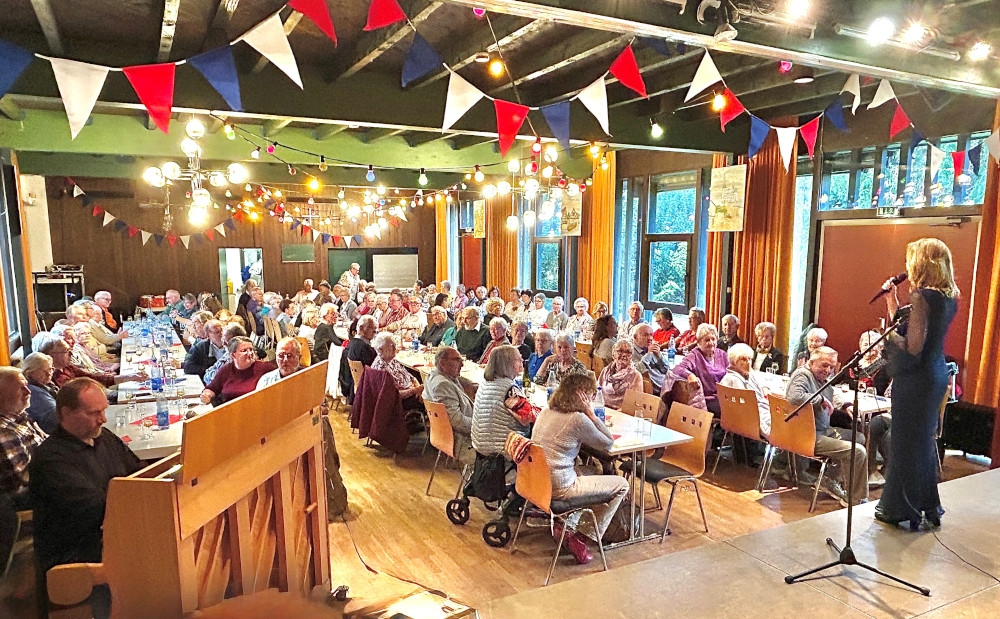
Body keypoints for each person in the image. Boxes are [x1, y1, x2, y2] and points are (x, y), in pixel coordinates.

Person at [29, 377, 142, 617]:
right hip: (76, 548)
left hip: (107, 531)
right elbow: (94, 509)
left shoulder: (104, 437)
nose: (102, 419)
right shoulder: (50, 459)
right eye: (94, 413)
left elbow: (139, 472)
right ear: (66, 413)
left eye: (103, 411)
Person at [875, 238, 958, 529]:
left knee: (905, 444)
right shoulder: (946, 297)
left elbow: (911, 346)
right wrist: (892, 303)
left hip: (916, 380)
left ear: (921, 263)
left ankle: (900, 508)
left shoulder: (922, 296)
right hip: (934, 374)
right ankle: (926, 506)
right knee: (921, 443)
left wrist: (886, 336)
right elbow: (919, 331)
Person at [533, 373, 628, 564]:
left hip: (537, 481)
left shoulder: (546, 411)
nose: (592, 400)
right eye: (591, 396)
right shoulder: (577, 419)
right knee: (621, 485)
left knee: (592, 471)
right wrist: (592, 414)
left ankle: (568, 523)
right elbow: (608, 443)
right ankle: (582, 536)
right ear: (582, 396)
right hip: (560, 486)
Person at [786, 347, 868, 507]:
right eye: (824, 365)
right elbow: (794, 397)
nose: (828, 370)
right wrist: (821, 399)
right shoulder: (803, 375)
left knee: (859, 437)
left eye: (831, 366)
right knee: (857, 451)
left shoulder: (821, 378)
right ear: (812, 362)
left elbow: (831, 392)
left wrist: (845, 405)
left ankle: (829, 479)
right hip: (808, 435)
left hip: (822, 430)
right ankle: (854, 499)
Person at [0, 367, 48, 510]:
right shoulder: (3, 431)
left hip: (47, 477)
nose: (28, 392)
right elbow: (25, 479)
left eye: (26, 386)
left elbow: (48, 442)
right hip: (27, 498)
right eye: (20, 389)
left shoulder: (18, 416)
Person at [472, 345, 531, 456]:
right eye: (518, 359)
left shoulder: (485, 383)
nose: (522, 361)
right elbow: (527, 418)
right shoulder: (509, 390)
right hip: (501, 448)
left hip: (480, 444)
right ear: (508, 364)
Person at [423, 347, 476, 465]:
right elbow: (456, 421)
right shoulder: (442, 384)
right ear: (442, 363)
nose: (462, 364)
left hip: (447, 435)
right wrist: (480, 426)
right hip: (460, 440)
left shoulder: (433, 375)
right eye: (457, 360)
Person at [40, 337, 145, 389]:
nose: (71, 354)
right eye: (66, 351)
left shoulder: (68, 367)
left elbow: (93, 378)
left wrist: (129, 377)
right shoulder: (51, 376)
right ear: (51, 355)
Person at [671, 323, 730, 416]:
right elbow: (678, 368)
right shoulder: (695, 355)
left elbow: (732, 371)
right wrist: (690, 375)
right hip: (707, 399)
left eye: (713, 339)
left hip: (725, 396)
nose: (710, 343)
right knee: (730, 412)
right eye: (706, 340)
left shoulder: (722, 354)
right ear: (698, 342)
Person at [201, 337, 276, 406]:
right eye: (244, 351)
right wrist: (206, 395)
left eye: (251, 349)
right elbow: (212, 388)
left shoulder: (264, 368)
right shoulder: (226, 369)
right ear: (233, 355)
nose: (249, 353)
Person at [718, 343, 771, 437]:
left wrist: (764, 387)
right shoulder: (732, 380)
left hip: (759, 415)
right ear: (733, 362)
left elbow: (758, 378)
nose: (748, 362)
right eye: (743, 359)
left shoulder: (748, 374)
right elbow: (746, 409)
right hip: (751, 421)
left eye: (750, 359)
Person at [371, 332, 423, 409]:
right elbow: (394, 395)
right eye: (392, 346)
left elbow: (410, 376)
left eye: (395, 345)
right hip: (400, 402)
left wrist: (418, 388)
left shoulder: (391, 360)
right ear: (381, 349)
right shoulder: (381, 369)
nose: (395, 348)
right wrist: (415, 390)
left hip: (412, 391)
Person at [597, 339, 644, 410]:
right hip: (603, 409)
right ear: (613, 355)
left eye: (628, 352)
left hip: (622, 413)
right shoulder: (606, 371)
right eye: (620, 351)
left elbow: (634, 404)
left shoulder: (636, 375)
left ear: (631, 357)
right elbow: (597, 392)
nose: (624, 355)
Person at [340, 315, 378, 401]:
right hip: (362, 387)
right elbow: (376, 369)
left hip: (350, 385)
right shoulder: (363, 348)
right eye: (372, 328)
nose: (375, 331)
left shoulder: (352, 343)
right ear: (361, 328)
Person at [22, 352, 59, 433]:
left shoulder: (45, 385)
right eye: (43, 371)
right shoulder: (33, 391)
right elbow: (56, 418)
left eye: (50, 369)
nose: (49, 374)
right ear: (30, 372)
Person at [630, 324, 669, 394]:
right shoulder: (630, 352)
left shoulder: (652, 349)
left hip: (666, 385)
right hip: (654, 391)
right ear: (635, 337)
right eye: (645, 335)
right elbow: (636, 371)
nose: (650, 338)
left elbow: (666, 370)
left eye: (651, 335)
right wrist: (649, 354)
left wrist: (659, 356)